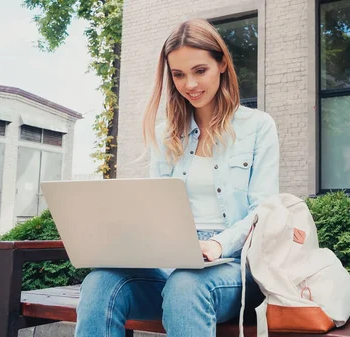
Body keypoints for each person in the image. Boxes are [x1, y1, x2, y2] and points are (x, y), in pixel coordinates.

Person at [74, 18, 279, 337]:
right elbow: (156, 210)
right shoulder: (166, 134)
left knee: (186, 286)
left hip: (235, 265)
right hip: (173, 261)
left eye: (200, 70)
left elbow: (263, 212)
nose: (190, 85)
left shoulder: (258, 127)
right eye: (179, 74)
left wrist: (215, 244)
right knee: (99, 283)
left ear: (221, 64)